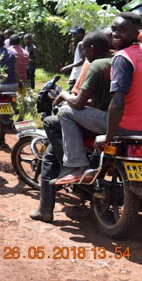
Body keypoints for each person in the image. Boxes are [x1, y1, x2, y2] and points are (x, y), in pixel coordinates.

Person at [49, 31, 113, 185]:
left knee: (64, 112)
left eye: (83, 50)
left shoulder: (97, 65)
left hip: (108, 120)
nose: (83, 54)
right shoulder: (118, 60)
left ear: (91, 48)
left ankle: (77, 166)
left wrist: (63, 95)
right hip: (122, 118)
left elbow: (78, 103)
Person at [95, 12, 142, 151]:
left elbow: (118, 102)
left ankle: (74, 164)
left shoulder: (122, 58)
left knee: (67, 112)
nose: (114, 34)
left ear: (136, 34)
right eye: (113, 28)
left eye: (122, 31)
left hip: (125, 127)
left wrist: (108, 137)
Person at [61, 26, 85, 93]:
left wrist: (68, 67)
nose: (73, 36)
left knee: (71, 93)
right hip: (78, 74)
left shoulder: (81, 44)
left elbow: (82, 60)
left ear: (81, 34)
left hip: (77, 75)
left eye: (75, 34)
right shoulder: (81, 44)